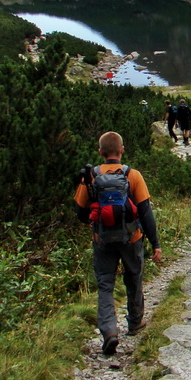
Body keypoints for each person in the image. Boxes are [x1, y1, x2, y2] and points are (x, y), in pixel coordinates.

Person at [74, 132, 162, 355]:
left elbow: (80, 211)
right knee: (134, 277)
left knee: (105, 284)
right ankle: (135, 322)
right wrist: (155, 243)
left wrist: (92, 222)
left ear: (100, 152)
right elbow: (145, 212)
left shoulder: (90, 176)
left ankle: (109, 331)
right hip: (131, 238)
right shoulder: (133, 175)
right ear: (121, 150)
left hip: (102, 239)